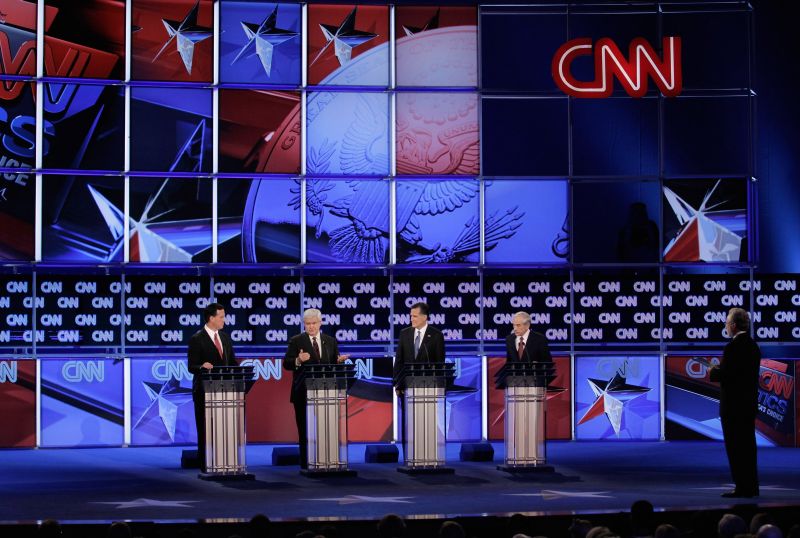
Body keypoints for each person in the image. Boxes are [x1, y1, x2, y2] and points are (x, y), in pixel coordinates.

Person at [283, 308, 348, 469]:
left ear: (320, 323)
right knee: (305, 429)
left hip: (327, 393)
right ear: (304, 324)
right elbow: (286, 363)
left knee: (326, 428)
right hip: (303, 393)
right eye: (307, 324)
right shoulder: (296, 340)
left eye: (314, 323)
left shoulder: (330, 341)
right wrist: (298, 359)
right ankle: (306, 463)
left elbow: (332, 363)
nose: (311, 327)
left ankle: (328, 459)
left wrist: (338, 362)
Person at [709, 307, 761, 498]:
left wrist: (714, 372)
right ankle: (751, 485)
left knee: (736, 448)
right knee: (748, 447)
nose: (725, 325)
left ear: (733, 325)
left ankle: (742, 487)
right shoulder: (753, 345)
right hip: (747, 405)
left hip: (733, 407)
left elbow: (728, 375)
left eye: (726, 322)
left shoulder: (732, 347)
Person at [187, 302, 237, 472]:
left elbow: (233, 363)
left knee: (225, 428)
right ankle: (206, 465)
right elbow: (191, 366)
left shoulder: (225, 337)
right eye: (221, 317)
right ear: (211, 318)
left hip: (226, 392)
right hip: (204, 391)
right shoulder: (197, 339)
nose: (224, 320)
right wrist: (202, 366)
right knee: (206, 429)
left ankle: (226, 462)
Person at [393, 302, 445, 381]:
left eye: (415, 316)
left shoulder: (437, 335)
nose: (411, 319)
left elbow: (440, 363)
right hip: (407, 383)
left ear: (424, 317)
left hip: (429, 383)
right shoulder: (404, 333)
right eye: (411, 316)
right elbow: (398, 362)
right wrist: (397, 383)